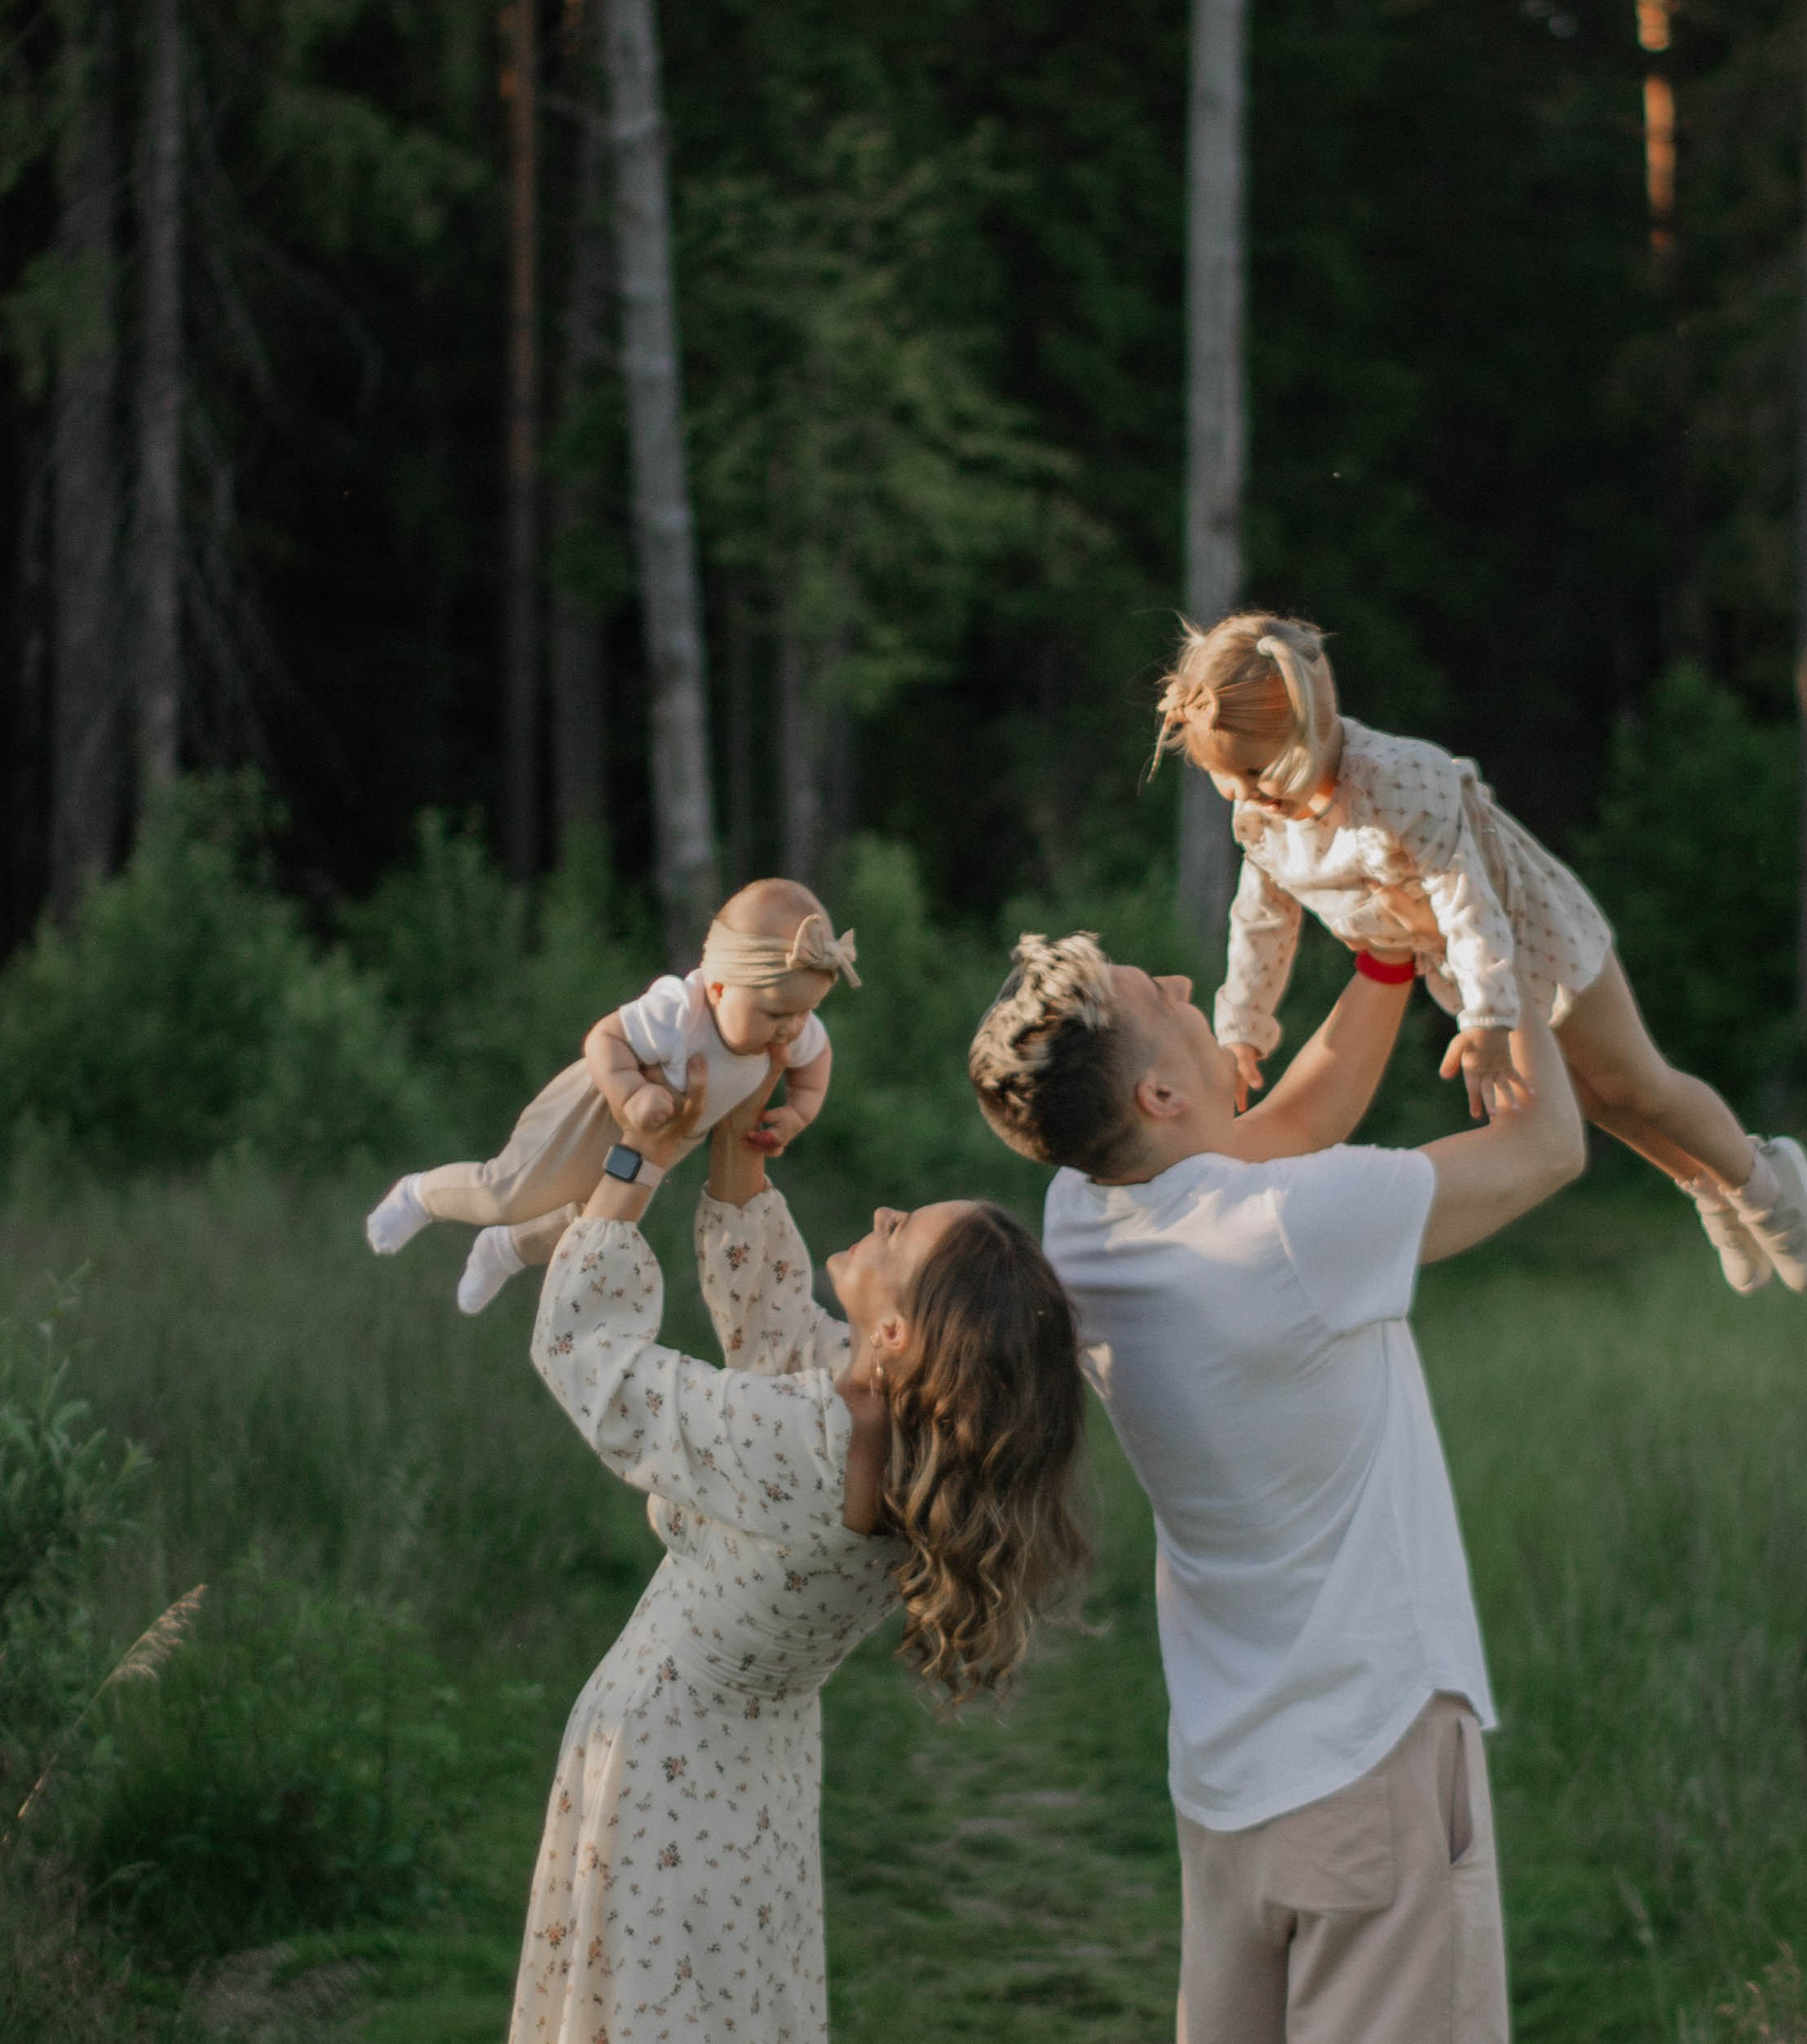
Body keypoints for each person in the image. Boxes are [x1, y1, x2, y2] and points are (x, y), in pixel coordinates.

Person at [968, 928, 1586, 2044]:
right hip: (1369, 1760)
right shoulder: (1290, 1228)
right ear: (1158, 1090)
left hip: (1228, 1786)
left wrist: (1384, 966)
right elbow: (1544, 1147)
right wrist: (1496, 950)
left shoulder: (1084, 1216)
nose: (1176, 981)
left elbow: (1295, 1123)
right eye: (1154, 995)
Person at [510, 1057, 1088, 2044]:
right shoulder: (896, 1430)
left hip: (666, 1773)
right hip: (755, 1786)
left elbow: (587, 1358)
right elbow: (780, 1336)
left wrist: (634, 1161)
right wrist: (741, 1132)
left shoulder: (813, 1445)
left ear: (897, 1332)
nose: (883, 1211)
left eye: (901, 1232)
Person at [1157, 611, 1807, 1294]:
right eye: (1225, 777)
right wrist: (1242, 1025)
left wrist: (1484, 1021)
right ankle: (1706, 1189)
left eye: (1253, 772)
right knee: (1592, 1101)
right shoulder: (1263, 809)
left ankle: (1764, 1185)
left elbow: (1467, 903)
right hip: (1454, 960)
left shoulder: (1396, 784)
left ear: (1308, 737)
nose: (1241, 796)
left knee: (1634, 1082)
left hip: (1526, 928)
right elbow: (1262, 918)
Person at [364, 874, 850, 1313]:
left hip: (668, 1137)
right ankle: (419, 1195)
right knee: (508, 1191)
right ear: (720, 988)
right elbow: (604, 1038)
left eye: (804, 1013)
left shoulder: (792, 1022)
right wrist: (630, 1092)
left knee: (593, 1226)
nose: (791, 1029)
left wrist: (798, 1113)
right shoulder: (680, 1012)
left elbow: (816, 1062)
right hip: (594, 1109)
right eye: (774, 1015)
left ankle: (504, 1250)